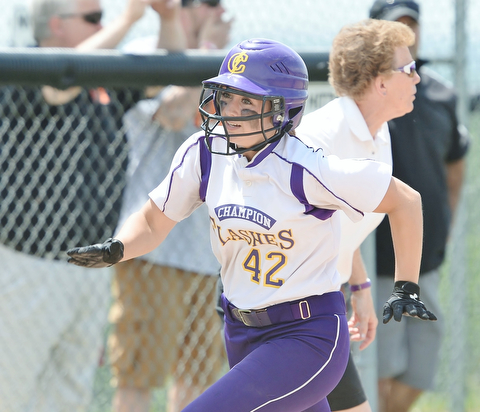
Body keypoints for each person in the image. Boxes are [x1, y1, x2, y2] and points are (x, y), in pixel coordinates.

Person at [67, 38, 436, 412]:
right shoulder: (204, 154)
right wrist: (119, 248)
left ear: (283, 111)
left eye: (248, 102)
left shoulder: (305, 169)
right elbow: (152, 221)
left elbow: (405, 202)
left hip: (306, 335)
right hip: (241, 331)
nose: (231, 111)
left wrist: (406, 285)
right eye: (227, 97)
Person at [0, 1, 176, 411]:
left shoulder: (102, 81)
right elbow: (57, 85)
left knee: (69, 396)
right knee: (10, 390)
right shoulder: (22, 66)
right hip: (31, 264)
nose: (104, 25)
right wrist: (128, 19)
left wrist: (167, 18)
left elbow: (164, 76)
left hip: (90, 265)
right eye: (94, 18)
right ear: (57, 25)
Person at [108, 1, 232, 411]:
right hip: (153, 249)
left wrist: (215, 57)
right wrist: (209, 54)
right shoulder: (151, 49)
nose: (218, 10)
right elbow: (175, 114)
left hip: (207, 251)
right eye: (208, 3)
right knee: (138, 376)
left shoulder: (226, 65)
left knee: (197, 378)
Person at [296, 17, 420, 412]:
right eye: (409, 69)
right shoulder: (321, 137)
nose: (417, 78)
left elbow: (339, 218)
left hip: (317, 304)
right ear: (381, 83)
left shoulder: (377, 133)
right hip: (285, 310)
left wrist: (359, 288)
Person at [368, 1, 471, 412]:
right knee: (381, 362)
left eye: (411, 26)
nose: (405, 35)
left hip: (426, 258)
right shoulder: (364, 96)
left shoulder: (442, 95)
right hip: (378, 260)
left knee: (422, 364)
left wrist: (443, 229)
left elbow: (455, 168)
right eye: (396, 27)